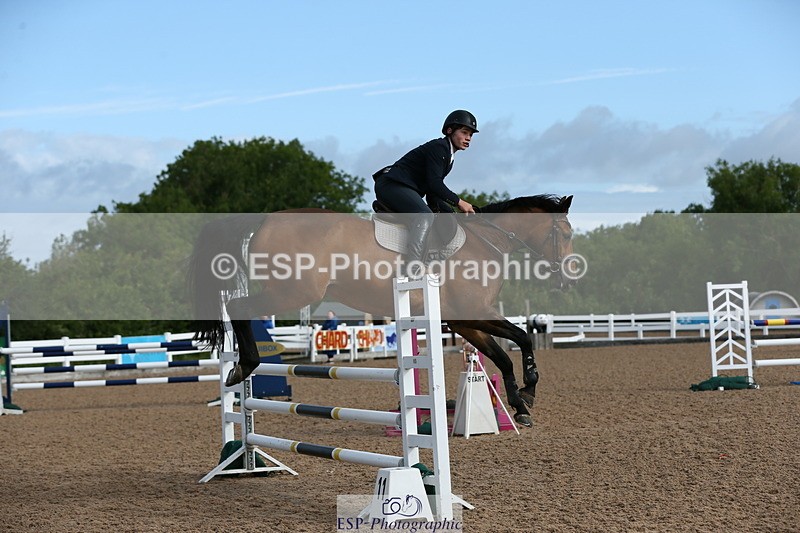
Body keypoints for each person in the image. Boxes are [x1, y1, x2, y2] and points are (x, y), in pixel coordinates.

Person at [373, 110, 478, 277]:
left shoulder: (448, 157)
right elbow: (434, 184)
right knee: (425, 216)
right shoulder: (439, 147)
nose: (468, 138)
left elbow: (432, 193)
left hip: (403, 187)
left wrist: (449, 212)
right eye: (464, 133)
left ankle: (430, 256)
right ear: (449, 131)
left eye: (471, 135)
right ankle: (411, 267)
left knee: (440, 215)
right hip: (391, 185)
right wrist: (459, 202)